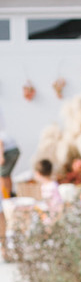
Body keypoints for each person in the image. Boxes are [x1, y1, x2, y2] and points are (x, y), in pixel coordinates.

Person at [0, 108, 20, 255]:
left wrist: (1, 157)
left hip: (9, 150)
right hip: (13, 150)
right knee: (5, 175)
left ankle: (6, 194)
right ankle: (7, 194)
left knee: (4, 174)